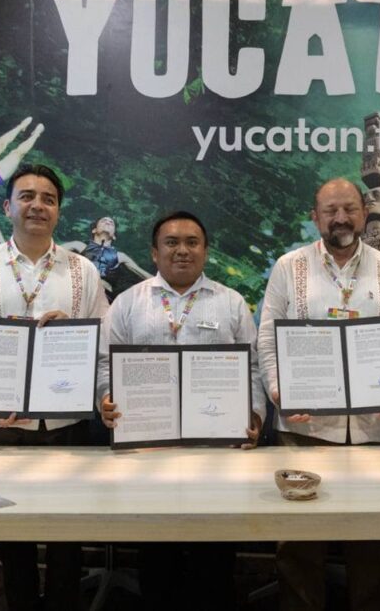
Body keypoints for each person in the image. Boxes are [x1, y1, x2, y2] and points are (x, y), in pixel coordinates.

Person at [257, 178, 380, 611]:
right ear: (316, 218)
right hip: (304, 430)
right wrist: (279, 390)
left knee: (374, 541)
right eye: (330, 211)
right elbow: (268, 338)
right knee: (299, 545)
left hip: (377, 430)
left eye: (349, 208)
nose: (341, 218)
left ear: (364, 213)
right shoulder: (289, 266)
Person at [0, 163, 109, 611]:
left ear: (58, 211)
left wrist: (72, 326)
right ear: (7, 207)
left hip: (64, 421)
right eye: (27, 196)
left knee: (67, 532)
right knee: (10, 532)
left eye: (48, 199)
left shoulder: (82, 270)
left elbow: (102, 341)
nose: (37, 205)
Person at [100, 210, 265, 610]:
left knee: (215, 556)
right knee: (157, 555)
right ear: (154, 253)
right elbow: (105, 364)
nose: (182, 250)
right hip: (148, 451)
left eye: (192, 242)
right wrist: (105, 399)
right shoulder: (127, 303)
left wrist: (254, 415)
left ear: (205, 251)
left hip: (217, 452)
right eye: (171, 242)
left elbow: (254, 367)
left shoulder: (230, 303)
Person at [62, 216, 151, 297]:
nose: (108, 222)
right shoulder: (78, 246)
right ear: (94, 230)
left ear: (114, 236)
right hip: (78, 289)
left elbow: (144, 274)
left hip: (104, 296)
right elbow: (54, 251)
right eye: (103, 221)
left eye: (111, 223)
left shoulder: (120, 256)